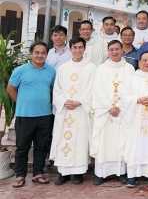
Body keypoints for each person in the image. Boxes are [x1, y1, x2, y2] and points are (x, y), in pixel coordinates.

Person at [7, 42, 57, 188]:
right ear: (31, 54)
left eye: (43, 53)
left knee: (41, 146)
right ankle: (20, 175)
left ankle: (38, 174)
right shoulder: (20, 70)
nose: (40, 55)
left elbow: (53, 89)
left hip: (45, 115)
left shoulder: (51, 71)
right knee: (22, 147)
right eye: (37, 52)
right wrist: (22, 102)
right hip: (25, 115)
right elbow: (11, 89)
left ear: (46, 55)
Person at [50, 37, 96, 185]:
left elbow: (92, 89)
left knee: (80, 141)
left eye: (80, 47)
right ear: (70, 49)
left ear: (84, 49)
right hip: (65, 110)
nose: (77, 50)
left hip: (81, 110)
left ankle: (78, 173)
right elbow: (56, 90)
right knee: (63, 139)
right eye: (74, 47)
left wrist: (80, 101)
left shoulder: (91, 68)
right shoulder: (63, 68)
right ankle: (63, 174)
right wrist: (63, 102)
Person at [90, 40, 136, 185]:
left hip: (122, 112)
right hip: (106, 112)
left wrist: (120, 106)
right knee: (105, 141)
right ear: (107, 51)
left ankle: (121, 172)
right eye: (111, 49)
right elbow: (97, 90)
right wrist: (109, 107)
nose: (114, 52)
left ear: (122, 50)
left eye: (117, 49)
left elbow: (131, 90)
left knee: (120, 141)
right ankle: (101, 174)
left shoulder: (129, 68)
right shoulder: (101, 69)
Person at [120, 51, 148, 188]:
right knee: (135, 143)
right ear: (139, 62)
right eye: (144, 60)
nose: (147, 63)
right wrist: (138, 100)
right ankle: (132, 175)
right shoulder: (132, 79)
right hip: (135, 117)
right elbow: (124, 97)